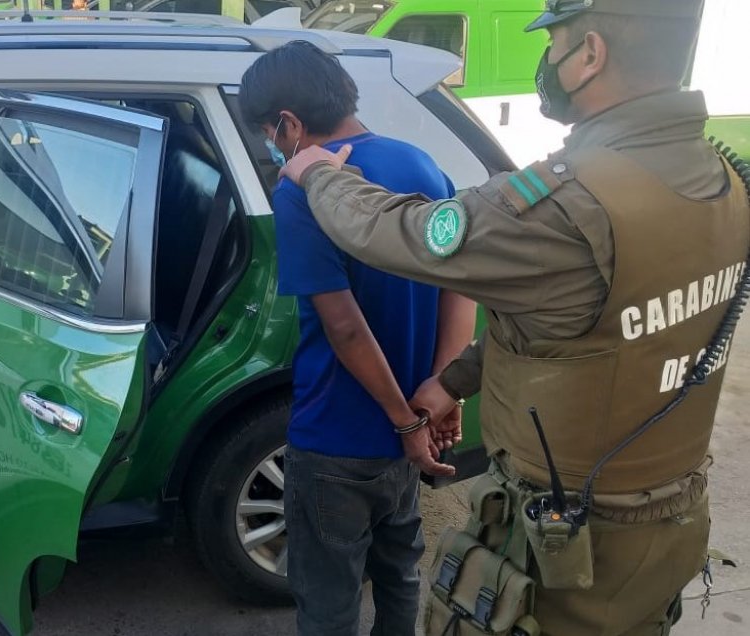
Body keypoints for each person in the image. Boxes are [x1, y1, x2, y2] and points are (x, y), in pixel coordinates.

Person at [278, 0, 750, 633]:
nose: (546, 61)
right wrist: (451, 382)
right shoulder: (721, 179)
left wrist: (315, 176)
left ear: (589, 54)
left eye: (553, 44)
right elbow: (582, 325)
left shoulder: (572, 203)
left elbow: (405, 234)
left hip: (563, 547)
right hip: (664, 529)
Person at [238, 41, 477, 636]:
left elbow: (344, 325)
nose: (274, 147)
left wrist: (405, 419)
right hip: (407, 442)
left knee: (329, 604)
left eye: (270, 133)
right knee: (401, 577)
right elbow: (460, 289)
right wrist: (439, 397)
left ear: (289, 124)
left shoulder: (301, 191)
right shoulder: (422, 165)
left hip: (337, 442)